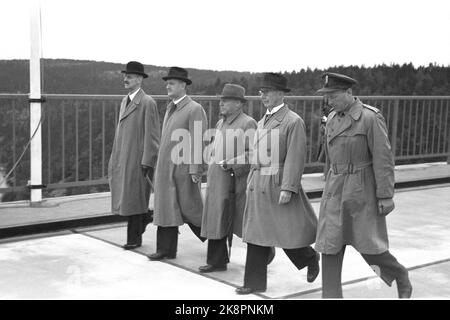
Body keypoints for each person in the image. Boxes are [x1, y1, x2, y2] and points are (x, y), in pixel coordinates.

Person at [315, 72, 413, 298]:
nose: (329, 101)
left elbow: (383, 159)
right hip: (334, 188)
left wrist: (385, 195)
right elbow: (329, 157)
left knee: (368, 245)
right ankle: (330, 296)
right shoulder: (331, 118)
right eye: (326, 97)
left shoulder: (370, 118)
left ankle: (398, 274)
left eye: (333, 95)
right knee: (329, 246)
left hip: (360, 188)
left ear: (349, 93)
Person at [236, 73, 320, 295]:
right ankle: (253, 283)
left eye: (268, 92)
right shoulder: (263, 120)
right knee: (257, 232)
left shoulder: (293, 121)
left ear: (281, 94)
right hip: (258, 183)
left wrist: (288, 187)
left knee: (284, 230)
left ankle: (310, 257)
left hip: (276, 182)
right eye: (261, 92)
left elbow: (295, 156)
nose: (263, 95)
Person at [199, 84, 275, 273]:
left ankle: (266, 251)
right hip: (217, 179)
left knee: (241, 221)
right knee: (216, 218)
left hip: (235, 181)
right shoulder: (220, 122)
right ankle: (217, 261)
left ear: (239, 104)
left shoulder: (247, 123)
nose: (221, 103)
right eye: (221, 100)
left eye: (226, 100)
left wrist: (232, 164)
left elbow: (253, 154)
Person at [148, 67, 207, 260]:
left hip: (182, 170)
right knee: (166, 209)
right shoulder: (171, 107)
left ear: (183, 85)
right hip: (166, 170)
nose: (168, 85)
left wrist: (195, 169)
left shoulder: (194, 109)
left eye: (172, 83)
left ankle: (219, 240)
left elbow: (198, 141)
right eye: (167, 82)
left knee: (193, 211)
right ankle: (166, 250)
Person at [108, 61, 160, 250]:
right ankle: (143, 222)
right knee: (130, 197)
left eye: (129, 76)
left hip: (137, 158)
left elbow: (152, 135)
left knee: (135, 198)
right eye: (125, 76)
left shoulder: (147, 102)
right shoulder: (125, 101)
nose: (125, 79)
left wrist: (147, 160)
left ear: (139, 79)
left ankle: (134, 238)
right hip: (125, 156)